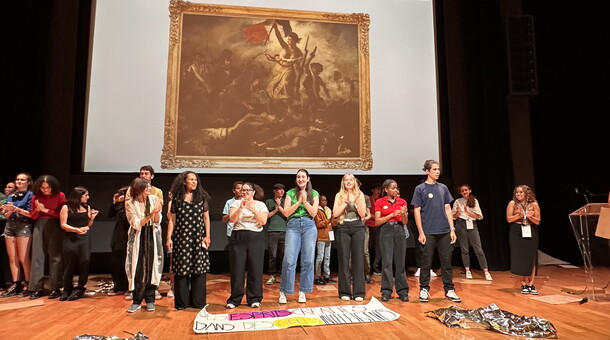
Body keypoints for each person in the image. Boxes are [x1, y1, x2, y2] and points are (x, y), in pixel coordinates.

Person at [412, 160, 460, 303]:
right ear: (427, 171)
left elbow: (447, 209)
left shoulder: (443, 188)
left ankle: (449, 289)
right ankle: (424, 289)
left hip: (444, 231)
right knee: (426, 261)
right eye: (434, 169)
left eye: (438, 169)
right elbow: (416, 210)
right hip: (428, 231)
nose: (437, 172)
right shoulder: (420, 189)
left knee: (446, 262)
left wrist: (452, 229)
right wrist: (421, 231)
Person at [166, 172, 211, 310]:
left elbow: (206, 218)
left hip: (198, 238)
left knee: (199, 270)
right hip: (181, 238)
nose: (194, 182)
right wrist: (168, 237)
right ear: (184, 182)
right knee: (181, 270)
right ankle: (182, 303)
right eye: (191, 179)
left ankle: (198, 302)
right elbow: (172, 220)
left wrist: (207, 235)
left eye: (196, 180)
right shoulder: (177, 199)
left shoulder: (201, 197)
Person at [279, 169, 319, 304]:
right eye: (298, 177)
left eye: (303, 177)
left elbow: (313, 213)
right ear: (296, 179)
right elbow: (285, 212)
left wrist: (305, 201)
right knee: (289, 260)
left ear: (308, 179)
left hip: (309, 225)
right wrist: (299, 201)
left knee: (308, 260)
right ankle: (284, 291)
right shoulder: (290, 193)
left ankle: (303, 291)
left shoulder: (314, 193)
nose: (300, 179)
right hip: (293, 225)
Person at [226, 182, 268, 308]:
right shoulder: (236, 203)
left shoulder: (261, 205)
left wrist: (252, 208)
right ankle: (235, 299)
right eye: (243, 190)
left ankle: (254, 298)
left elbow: (263, 221)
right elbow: (232, 219)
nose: (245, 193)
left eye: (248, 190)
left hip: (256, 237)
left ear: (253, 192)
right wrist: (241, 208)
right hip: (239, 236)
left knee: (255, 268)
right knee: (237, 269)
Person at [124, 178, 163, 313]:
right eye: (146, 187)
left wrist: (156, 213)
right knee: (138, 267)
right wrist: (150, 215)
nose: (149, 188)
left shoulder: (154, 199)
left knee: (151, 266)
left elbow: (157, 221)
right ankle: (137, 300)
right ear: (139, 189)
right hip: (138, 235)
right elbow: (135, 223)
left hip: (151, 234)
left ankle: (150, 299)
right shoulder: (130, 203)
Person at [29, 175, 67, 300]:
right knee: (37, 256)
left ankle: (55, 287)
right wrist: (39, 210)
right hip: (39, 226)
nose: (45, 190)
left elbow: (62, 214)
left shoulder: (60, 195)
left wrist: (46, 210)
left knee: (55, 257)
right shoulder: (36, 197)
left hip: (55, 225)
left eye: (48, 188)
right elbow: (33, 216)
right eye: (43, 188)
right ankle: (36, 288)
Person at [59, 186, 99, 301]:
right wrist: (75, 229)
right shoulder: (66, 207)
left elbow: (88, 224)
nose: (88, 197)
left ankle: (80, 288)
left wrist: (92, 219)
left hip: (84, 237)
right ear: (79, 196)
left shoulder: (87, 207)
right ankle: (67, 288)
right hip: (70, 236)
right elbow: (63, 225)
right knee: (69, 262)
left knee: (85, 261)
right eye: (86, 195)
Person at [333, 174, 367, 301]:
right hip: (343, 227)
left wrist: (356, 202)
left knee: (358, 260)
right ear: (343, 183)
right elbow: (335, 214)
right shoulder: (339, 195)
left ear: (354, 182)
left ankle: (359, 292)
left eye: (350, 180)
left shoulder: (360, 195)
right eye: (346, 180)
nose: (348, 182)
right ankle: (344, 291)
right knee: (344, 260)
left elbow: (363, 214)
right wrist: (346, 203)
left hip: (357, 226)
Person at [374, 179, 409, 302]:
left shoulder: (402, 201)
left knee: (400, 262)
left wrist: (403, 214)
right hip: (386, 230)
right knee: (387, 262)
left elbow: (405, 222)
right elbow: (377, 221)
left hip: (399, 230)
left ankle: (403, 291)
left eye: (397, 188)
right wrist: (392, 214)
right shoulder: (379, 202)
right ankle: (386, 291)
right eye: (393, 188)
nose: (396, 190)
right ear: (386, 189)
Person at [1, 174, 34, 297]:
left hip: (23, 225)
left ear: (28, 182)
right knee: (12, 257)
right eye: (17, 179)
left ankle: (28, 283)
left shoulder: (31, 195)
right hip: (10, 225)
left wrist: (16, 209)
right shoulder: (11, 196)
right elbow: (6, 214)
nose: (19, 181)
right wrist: (6, 210)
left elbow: (31, 214)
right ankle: (15, 284)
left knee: (23, 258)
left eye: (22, 180)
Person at [506, 185, 541, 295]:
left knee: (530, 258)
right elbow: (509, 219)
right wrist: (519, 215)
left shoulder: (534, 204)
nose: (518, 194)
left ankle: (531, 284)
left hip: (530, 230)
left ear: (526, 193)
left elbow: (538, 221)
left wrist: (529, 217)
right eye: (517, 192)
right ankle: (523, 284)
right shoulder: (512, 203)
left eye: (521, 192)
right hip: (517, 231)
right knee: (519, 258)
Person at [452, 184, 492, 280]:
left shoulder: (474, 201)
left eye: (466, 190)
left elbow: (479, 216)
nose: (464, 192)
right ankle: (467, 270)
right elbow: (454, 216)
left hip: (471, 224)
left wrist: (468, 212)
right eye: (462, 191)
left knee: (478, 249)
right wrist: (457, 212)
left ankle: (486, 271)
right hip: (461, 224)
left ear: (470, 190)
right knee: (464, 249)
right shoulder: (458, 201)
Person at [109, 186, 130, 295]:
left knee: (126, 261)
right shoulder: (120, 206)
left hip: (128, 234)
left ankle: (127, 286)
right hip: (119, 234)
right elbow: (110, 214)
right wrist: (115, 203)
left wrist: (124, 203)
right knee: (116, 261)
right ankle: (118, 285)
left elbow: (125, 218)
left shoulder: (130, 205)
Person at [265, 183, 287, 285]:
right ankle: (272, 275)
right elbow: (265, 217)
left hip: (284, 231)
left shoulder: (286, 201)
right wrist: (275, 209)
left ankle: (283, 275)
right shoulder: (269, 202)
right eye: (279, 189)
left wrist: (280, 207)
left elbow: (288, 215)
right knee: (272, 255)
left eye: (283, 190)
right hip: (272, 231)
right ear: (274, 191)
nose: (282, 191)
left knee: (283, 255)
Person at [313, 195, 336, 285]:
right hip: (321, 236)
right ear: (318, 201)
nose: (325, 202)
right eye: (323, 200)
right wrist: (329, 219)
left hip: (329, 236)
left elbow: (331, 223)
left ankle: (327, 275)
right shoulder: (317, 211)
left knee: (327, 257)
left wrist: (336, 220)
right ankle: (318, 276)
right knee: (320, 257)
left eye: (326, 200)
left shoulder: (328, 210)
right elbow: (319, 224)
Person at [0, 182, 18, 290]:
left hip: (8, 228)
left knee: (8, 257)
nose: (7, 189)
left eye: (10, 187)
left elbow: (3, 216)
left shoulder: (4, 198)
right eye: (6, 187)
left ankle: (10, 282)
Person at [366, 183, 382, 277]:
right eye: (376, 189)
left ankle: (376, 267)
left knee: (378, 248)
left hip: (379, 225)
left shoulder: (381, 200)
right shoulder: (368, 198)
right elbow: (366, 211)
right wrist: (375, 217)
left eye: (379, 189)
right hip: (369, 225)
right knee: (368, 247)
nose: (378, 191)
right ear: (372, 190)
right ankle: (367, 268)